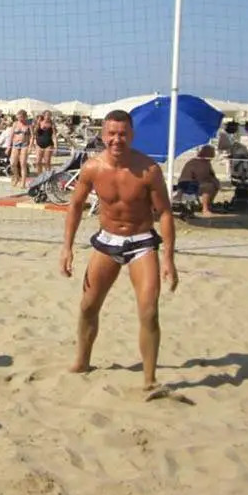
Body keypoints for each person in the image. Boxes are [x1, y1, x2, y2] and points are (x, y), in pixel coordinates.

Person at [59, 110, 178, 398]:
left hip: (141, 242)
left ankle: (149, 379)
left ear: (132, 135)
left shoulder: (148, 170)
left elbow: (164, 212)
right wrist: (67, 248)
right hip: (106, 241)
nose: (117, 139)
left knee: (149, 310)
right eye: (111, 133)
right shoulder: (92, 168)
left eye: (122, 133)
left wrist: (169, 259)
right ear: (103, 135)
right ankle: (83, 361)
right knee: (88, 305)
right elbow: (74, 206)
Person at [176, 145, 221, 214]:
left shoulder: (206, 163)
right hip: (187, 184)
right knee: (208, 187)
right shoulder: (196, 162)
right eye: (212, 153)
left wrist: (215, 181)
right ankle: (205, 209)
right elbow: (199, 177)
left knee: (215, 184)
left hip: (196, 183)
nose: (213, 155)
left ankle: (209, 204)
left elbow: (210, 175)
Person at [9, 110, 31, 188]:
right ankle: (17, 176)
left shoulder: (28, 124)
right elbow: (11, 136)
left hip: (24, 145)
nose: (20, 119)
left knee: (23, 164)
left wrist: (30, 146)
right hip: (15, 144)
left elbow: (32, 136)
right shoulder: (15, 124)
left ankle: (23, 182)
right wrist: (9, 147)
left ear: (25, 117)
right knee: (12, 163)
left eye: (21, 117)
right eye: (18, 117)